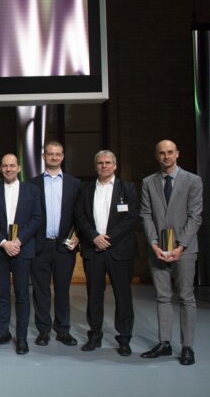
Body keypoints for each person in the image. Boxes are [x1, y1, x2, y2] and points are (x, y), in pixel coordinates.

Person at [139, 140, 203, 366]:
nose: (166, 156)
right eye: (161, 153)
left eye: (170, 152)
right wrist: (154, 243)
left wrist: (181, 246)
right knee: (162, 297)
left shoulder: (193, 181)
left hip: (184, 250)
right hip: (157, 249)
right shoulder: (148, 182)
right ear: (156, 156)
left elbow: (195, 216)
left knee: (186, 298)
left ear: (177, 154)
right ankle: (164, 343)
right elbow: (146, 214)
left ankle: (187, 347)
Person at [74, 150, 139, 356]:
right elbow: (80, 215)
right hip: (93, 250)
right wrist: (94, 237)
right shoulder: (86, 189)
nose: (104, 166)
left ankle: (124, 338)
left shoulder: (127, 188)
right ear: (95, 166)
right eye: (100, 163)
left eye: (108, 162)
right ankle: (94, 335)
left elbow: (132, 217)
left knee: (123, 295)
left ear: (115, 165)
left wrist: (107, 238)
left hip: (119, 251)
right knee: (94, 295)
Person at [0, 154, 41, 354]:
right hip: (0, 251)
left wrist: (18, 241)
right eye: (5, 166)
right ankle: (2, 332)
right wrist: (3, 242)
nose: (8, 169)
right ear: (1, 169)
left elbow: (36, 218)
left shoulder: (31, 190)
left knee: (22, 295)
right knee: (1, 294)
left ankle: (22, 337)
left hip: (22, 250)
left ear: (19, 168)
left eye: (12, 166)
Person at [29, 141, 81, 347]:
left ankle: (63, 330)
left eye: (57, 154)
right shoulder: (32, 184)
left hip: (64, 246)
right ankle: (43, 330)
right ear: (44, 156)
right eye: (50, 154)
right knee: (40, 290)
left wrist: (78, 235)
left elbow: (80, 214)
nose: (53, 157)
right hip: (40, 245)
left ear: (62, 157)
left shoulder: (74, 183)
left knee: (62, 290)